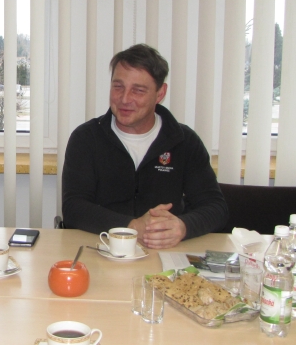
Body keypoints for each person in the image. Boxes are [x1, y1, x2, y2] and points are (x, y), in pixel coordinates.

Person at [62, 44, 227, 249]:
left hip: (165, 252)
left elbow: (216, 207)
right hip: (100, 248)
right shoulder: (86, 138)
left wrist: (183, 226)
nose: (125, 99)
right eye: (118, 87)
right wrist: (131, 227)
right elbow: (73, 208)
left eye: (138, 90)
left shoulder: (184, 141)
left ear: (160, 93)